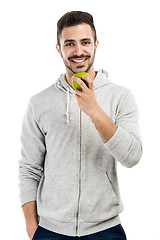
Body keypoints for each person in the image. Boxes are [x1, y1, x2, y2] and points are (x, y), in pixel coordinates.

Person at [19, 11, 143, 240]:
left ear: (96, 44)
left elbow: (132, 156)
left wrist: (94, 110)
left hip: (106, 230)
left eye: (85, 42)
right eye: (69, 44)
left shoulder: (121, 97)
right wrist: (31, 227)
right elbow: (29, 168)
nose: (78, 51)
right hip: (49, 231)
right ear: (59, 48)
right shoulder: (39, 103)